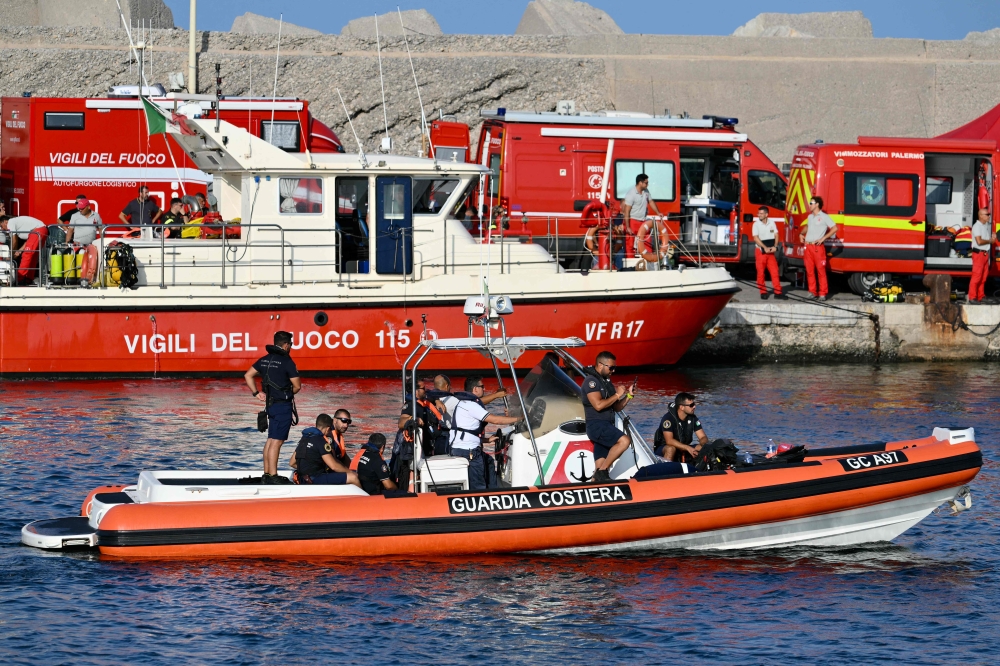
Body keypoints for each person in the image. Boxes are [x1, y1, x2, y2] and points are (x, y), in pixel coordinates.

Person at [443, 375, 521, 490]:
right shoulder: (471, 405)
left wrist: (487, 440)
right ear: (475, 389)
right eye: (482, 387)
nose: (484, 389)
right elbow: (495, 420)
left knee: (489, 462)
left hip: (462, 449)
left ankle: (494, 493)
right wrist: (520, 418)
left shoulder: (463, 403)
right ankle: (483, 496)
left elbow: (467, 430)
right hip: (469, 452)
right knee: (478, 483)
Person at [245, 331, 301, 483]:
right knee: (277, 441)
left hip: (270, 405)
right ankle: (273, 476)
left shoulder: (264, 359)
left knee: (270, 440)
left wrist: (256, 393)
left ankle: (267, 474)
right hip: (283, 406)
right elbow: (297, 386)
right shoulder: (287, 362)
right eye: (291, 344)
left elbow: (248, 375)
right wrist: (288, 394)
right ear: (286, 344)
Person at [582, 350, 635, 482]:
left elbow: (616, 407)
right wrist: (617, 395)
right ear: (600, 365)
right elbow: (598, 405)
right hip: (597, 426)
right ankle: (602, 472)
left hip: (606, 426)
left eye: (614, 367)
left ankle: (597, 481)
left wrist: (628, 396)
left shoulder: (606, 382)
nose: (613, 371)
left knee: (599, 469)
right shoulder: (591, 382)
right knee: (624, 441)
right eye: (611, 367)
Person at [289, 413, 360, 487]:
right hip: (314, 479)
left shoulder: (303, 439)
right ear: (328, 429)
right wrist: (350, 472)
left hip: (302, 478)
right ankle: (365, 497)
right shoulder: (320, 441)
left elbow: (292, 463)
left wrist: (308, 470)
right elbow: (334, 466)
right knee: (353, 477)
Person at [799, 196, 838, 301]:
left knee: (821, 271)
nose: (810, 205)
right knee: (809, 270)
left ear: (817, 204)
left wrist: (823, 238)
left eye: (811, 203)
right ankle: (812, 292)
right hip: (808, 246)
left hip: (817, 247)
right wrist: (801, 234)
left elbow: (835, 228)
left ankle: (822, 293)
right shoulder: (810, 217)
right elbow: (807, 226)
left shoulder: (824, 216)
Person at [654, 392, 709, 462]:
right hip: (664, 449)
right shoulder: (668, 419)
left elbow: (702, 437)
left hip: (684, 447)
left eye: (694, 404)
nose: (694, 407)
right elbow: (669, 441)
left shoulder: (693, 418)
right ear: (682, 407)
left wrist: (704, 444)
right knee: (671, 449)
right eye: (691, 405)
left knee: (705, 448)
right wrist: (687, 448)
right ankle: (667, 470)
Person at [399, 378, 447, 457]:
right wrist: (414, 419)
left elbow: (431, 394)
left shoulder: (424, 400)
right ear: (416, 391)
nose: (426, 390)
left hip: (432, 443)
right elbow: (401, 422)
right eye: (423, 388)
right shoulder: (411, 405)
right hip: (421, 448)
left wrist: (436, 400)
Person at [0, 215, 48, 284]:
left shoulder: (10, 222)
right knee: (33, 256)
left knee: (26, 255)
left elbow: (14, 240)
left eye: (1, 226)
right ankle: (28, 278)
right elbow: (29, 240)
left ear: (5, 222)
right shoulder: (18, 224)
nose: (2, 229)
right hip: (41, 231)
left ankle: (20, 278)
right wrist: (19, 250)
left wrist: (10, 255)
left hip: (37, 231)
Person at [752, 205, 786, 300]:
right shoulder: (756, 224)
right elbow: (755, 238)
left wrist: (775, 246)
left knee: (775, 271)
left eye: (761, 213)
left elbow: (776, 234)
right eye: (759, 213)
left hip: (770, 252)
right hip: (761, 252)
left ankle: (778, 293)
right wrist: (765, 247)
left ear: (767, 214)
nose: (759, 215)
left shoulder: (772, 223)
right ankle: (763, 292)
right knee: (761, 272)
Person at [622, 174, 664, 242]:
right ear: (640, 183)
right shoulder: (631, 194)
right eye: (646, 183)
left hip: (643, 221)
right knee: (630, 243)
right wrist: (628, 226)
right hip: (633, 221)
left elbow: (651, 202)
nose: (648, 184)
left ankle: (647, 252)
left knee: (647, 242)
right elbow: (627, 211)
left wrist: (658, 213)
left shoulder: (646, 191)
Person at [969, 208, 996, 304]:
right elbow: (979, 241)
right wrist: (990, 241)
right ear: (980, 216)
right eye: (987, 214)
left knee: (983, 277)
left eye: (989, 214)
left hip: (984, 254)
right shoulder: (977, 226)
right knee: (977, 276)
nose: (989, 216)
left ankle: (981, 296)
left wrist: (991, 239)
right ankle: (972, 297)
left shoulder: (983, 226)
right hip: (979, 254)